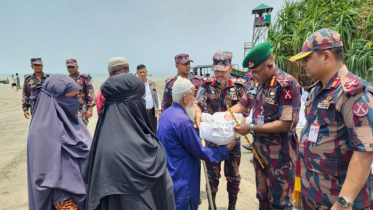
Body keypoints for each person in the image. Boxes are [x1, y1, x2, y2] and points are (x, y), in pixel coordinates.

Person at [289, 28, 373, 209]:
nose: (303, 64)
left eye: (307, 58)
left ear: (326, 56)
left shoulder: (353, 93)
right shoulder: (317, 91)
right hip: (314, 195)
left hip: (338, 201)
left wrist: (343, 203)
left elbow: (364, 152)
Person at [84, 73, 175, 210]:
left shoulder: (101, 143)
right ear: (131, 104)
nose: (143, 104)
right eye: (141, 99)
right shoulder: (144, 146)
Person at [230, 41, 302, 209]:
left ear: (270, 66)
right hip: (260, 153)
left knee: (280, 203)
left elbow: (285, 124)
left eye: (255, 71)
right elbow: (241, 105)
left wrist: (252, 128)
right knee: (263, 198)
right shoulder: (257, 83)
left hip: (281, 157)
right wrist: (218, 118)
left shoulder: (286, 85)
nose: (251, 75)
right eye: (250, 71)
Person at [158, 76, 235, 210]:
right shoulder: (183, 121)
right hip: (182, 180)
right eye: (192, 96)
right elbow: (199, 151)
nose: (195, 100)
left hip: (169, 176)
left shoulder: (166, 114)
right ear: (185, 98)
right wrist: (224, 150)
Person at [26, 74, 92, 210]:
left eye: (78, 96)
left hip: (85, 196)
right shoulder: (43, 130)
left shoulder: (74, 123)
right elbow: (45, 175)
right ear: (56, 99)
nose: (77, 102)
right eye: (73, 97)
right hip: (64, 201)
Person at [194, 51, 246, 210]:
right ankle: (212, 205)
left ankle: (232, 206)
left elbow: (247, 110)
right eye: (217, 70)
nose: (219, 74)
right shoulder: (207, 85)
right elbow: (198, 104)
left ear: (230, 68)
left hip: (233, 140)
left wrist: (238, 131)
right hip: (213, 141)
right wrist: (197, 112)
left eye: (223, 70)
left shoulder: (239, 86)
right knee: (212, 177)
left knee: (233, 176)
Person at [66, 58, 96, 126]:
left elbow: (91, 94)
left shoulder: (84, 78)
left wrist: (90, 109)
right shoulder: (66, 80)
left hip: (82, 111)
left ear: (77, 67)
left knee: (82, 134)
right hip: (69, 111)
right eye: (69, 67)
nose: (71, 69)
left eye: (73, 67)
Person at [137, 64, 161, 133]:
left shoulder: (151, 84)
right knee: (142, 132)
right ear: (137, 73)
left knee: (153, 131)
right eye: (140, 72)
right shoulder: (136, 85)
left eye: (143, 72)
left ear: (146, 72)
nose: (142, 74)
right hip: (141, 113)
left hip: (152, 112)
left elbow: (157, 96)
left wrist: (159, 109)